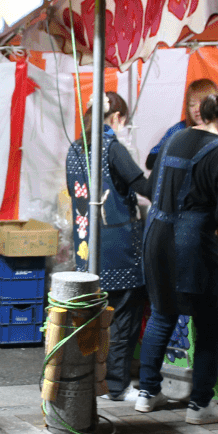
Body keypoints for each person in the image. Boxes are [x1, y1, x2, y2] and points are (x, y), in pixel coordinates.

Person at [135, 91, 218, 423]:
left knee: (162, 313)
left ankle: (147, 393)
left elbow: (151, 189)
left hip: (155, 236)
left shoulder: (175, 137)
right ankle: (201, 405)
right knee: (209, 324)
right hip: (191, 244)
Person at [66, 92, 147, 403]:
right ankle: (116, 385)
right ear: (118, 118)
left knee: (91, 318)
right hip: (119, 247)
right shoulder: (112, 148)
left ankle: (88, 378)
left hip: (87, 246)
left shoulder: (75, 148)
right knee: (122, 318)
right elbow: (142, 186)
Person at [145, 77, 218, 170]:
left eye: (202, 103)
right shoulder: (178, 130)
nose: (197, 109)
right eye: (192, 104)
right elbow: (151, 161)